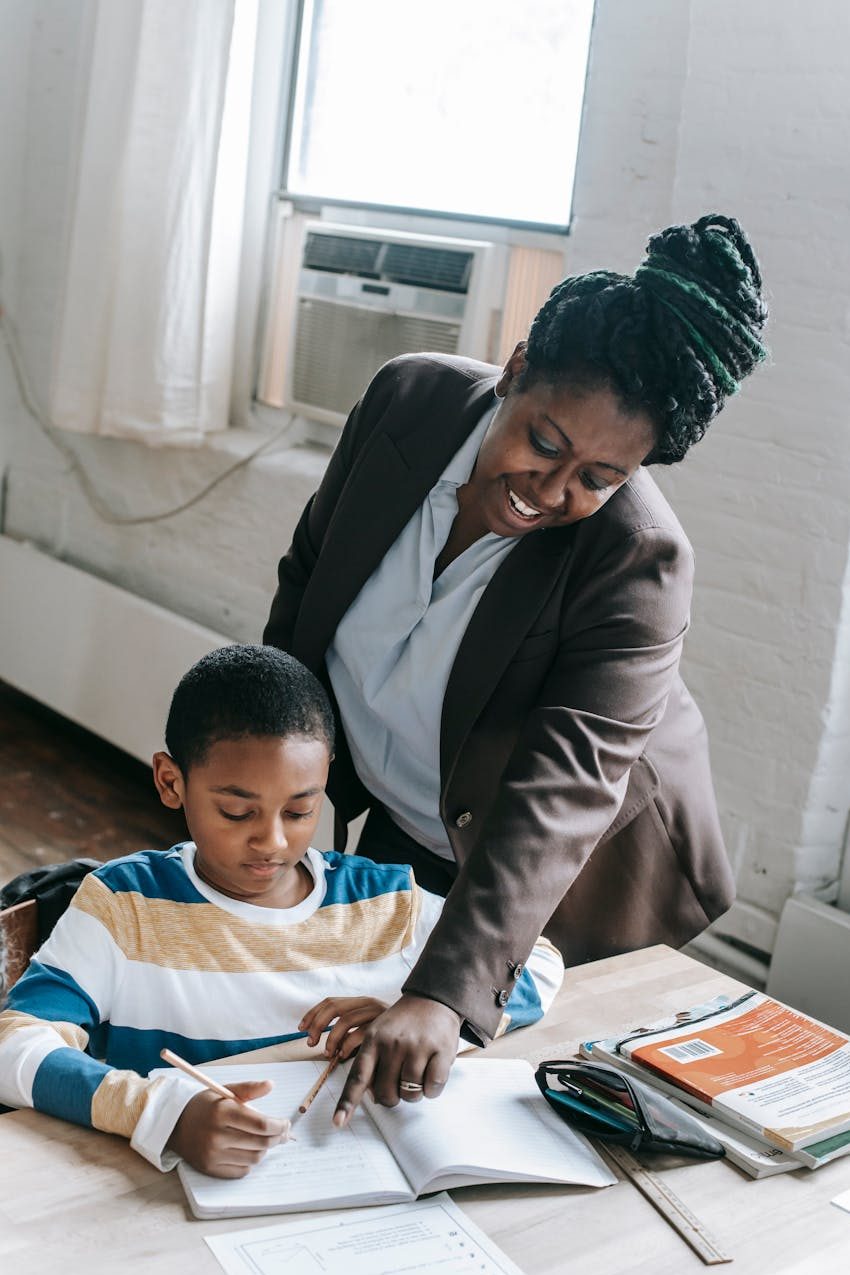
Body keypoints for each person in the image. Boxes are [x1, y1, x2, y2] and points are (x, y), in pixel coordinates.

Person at [263, 213, 769, 1124]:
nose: (551, 490)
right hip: (412, 815)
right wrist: (266, 787)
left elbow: (562, 788)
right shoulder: (404, 403)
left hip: (562, 883)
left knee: (507, 1129)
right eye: (544, 442)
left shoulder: (638, 559)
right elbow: (308, 586)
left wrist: (448, 993)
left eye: (599, 477)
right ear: (516, 367)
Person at [0, 645, 563, 1173]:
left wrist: (423, 1015)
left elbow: (535, 961)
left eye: (299, 811)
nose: (271, 841)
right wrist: (160, 1113)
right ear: (172, 783)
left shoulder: (384, 900)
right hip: (172, 1194)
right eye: (237, 812)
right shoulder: (125, 905)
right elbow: (15, 1045)